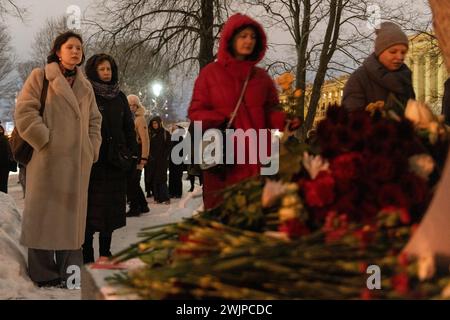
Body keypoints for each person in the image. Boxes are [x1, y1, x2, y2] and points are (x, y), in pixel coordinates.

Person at [14, 31, 102, 287]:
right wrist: (45, 140)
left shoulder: (86, 86)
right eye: (70, 47)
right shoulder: (41, 76)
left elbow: (95, 121)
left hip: (77, 164)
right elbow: (25, 111)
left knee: (71, 221)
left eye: (79, 48)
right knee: (42, 216)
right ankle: (43, 274)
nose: (76, 51)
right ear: (57, 50)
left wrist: (91, 148)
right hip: (46, 161)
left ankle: (70, 274)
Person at [187, 13, 286, 210]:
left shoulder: (262, 78)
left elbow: (272, 111)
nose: (249, 40)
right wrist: (220, 118)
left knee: (251, 217)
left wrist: (285, 121)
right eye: (243, 36)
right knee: (222, 218)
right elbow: (195, 112)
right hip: (223, 159)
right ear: (230, 38)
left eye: (253, 36)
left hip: (256, 160)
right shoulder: (210, 74)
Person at [82, 54, 137, 263]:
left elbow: (128, 129)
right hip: (94, 162)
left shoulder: (120, 96)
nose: (106, 73)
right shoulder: (87, 94)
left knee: (111, 212)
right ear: (94, 71)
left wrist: (131, 154)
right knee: (89, 212)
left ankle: (105, 251)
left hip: (116, 164)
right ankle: (86, 253)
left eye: (109, 69)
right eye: (102, 69)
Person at [342, 22, 415, 111]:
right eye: (393, 52)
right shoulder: (359, 78)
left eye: (403, 52)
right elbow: (349, 117)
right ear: (380, 52)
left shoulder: (405, 78)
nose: (400, 57)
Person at [126, 94, 150, 216]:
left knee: (132, 182)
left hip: (138, 154)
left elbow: (145, 139)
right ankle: (143, 205)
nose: (131, 107)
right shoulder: (129, 118)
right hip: (132, 154)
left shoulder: (139, 119)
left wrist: (144, 156)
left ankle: (135, 207)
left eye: (133, 105)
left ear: (137, 106)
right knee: (133, 182)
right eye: (129, 105)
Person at [148, 116, 171, 204]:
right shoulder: (151, 134)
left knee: (162, 179)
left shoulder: (166, 133)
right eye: (153, 123)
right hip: (153, 160)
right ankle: (157, 198)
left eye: (156, 123)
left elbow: (169, 146)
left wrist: (164, 156)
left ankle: (166, 198)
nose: (154, 125)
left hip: (162, 161)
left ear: (159, 123)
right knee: (155, 179)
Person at [168, 124, 184, 198]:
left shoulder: (180, 138)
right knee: (172, 176)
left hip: (178, 160)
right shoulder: (171, 137)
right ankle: (171, 192)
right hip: (172, 160)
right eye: (173, 129)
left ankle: (178, 193)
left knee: (177, 177)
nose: (173, 130)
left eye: (175, 129)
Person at [0, 125, 15, 193]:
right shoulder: (5, 139)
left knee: (3, 185)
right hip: (5, 166)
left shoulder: (5, 139)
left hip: (4, 166)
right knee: (3, 185)